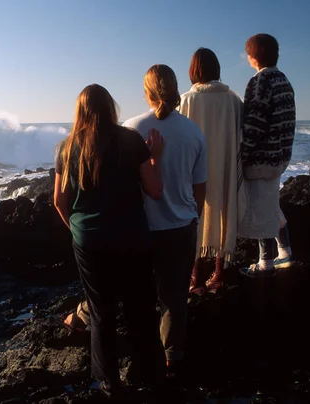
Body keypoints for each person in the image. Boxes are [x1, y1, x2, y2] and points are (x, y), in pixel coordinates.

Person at [53, 84, 165, 396]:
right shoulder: (130, 140)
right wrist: (156, 157)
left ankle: (109, 384)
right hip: (132, 237)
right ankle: (152, 378)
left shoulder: (66, 147)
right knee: (141, 309)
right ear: (110, 107)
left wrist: (78, 231)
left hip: (90, 242)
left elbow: (59, 202)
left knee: (101, 312)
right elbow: (155, 190)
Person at [123, 65, 207, 377]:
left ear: (146, 92)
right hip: (181, 228)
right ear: (175, 89)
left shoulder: (130, 129)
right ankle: (172, 357)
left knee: (136, 295)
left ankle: (142, 356)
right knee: (174, 298)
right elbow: (200, 186)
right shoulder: (194, 132)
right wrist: (193, 216)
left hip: (141, 228)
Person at [178, 48, 246, 294]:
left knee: (194, 213)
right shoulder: (233, 100)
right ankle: (218, 272)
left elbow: (179, 137)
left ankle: (194, 273)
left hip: (195, 167)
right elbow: (242, 135)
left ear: (193, 71)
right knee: (224, 210)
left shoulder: (187, 100)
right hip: (225, 165)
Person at [237, 33, 296, 277]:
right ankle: (285, 251)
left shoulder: (260, 81)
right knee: (271, 205)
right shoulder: (284, 80)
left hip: (261, 159)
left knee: (262, 211)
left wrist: (242, 152)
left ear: (252, 57)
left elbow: (255, 123)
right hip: (279, 157)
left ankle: (265, 265)